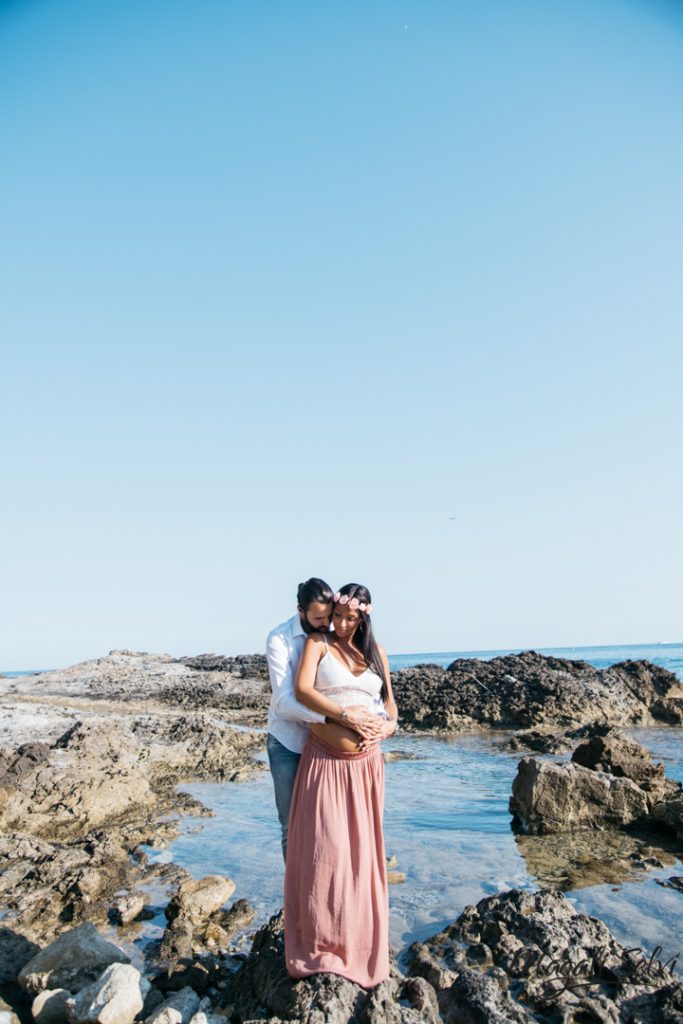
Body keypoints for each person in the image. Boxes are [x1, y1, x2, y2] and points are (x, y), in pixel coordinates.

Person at [284, 583, 398, 989]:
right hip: (326, 763)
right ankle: (320, 944)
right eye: (339, 616)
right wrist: (347, 716)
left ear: (364, 617)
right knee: (325, 853)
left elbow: (391, 707)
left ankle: (361, 944)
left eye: (352, 618)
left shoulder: (377, 654)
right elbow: (302, 691)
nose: (344, 624)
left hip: (367, 766)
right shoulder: (318, 643)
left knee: (363, 856)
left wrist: (385, 728)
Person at [266, 579, 387, 860]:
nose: (327, 624)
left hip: (322, 750)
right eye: (319, 618)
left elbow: (371, 696)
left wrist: (381, 723)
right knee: (292, 826)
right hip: (287, 743)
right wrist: (337, 718)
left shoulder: (334, 634)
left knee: (328, 831)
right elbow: (285, 702)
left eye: (328, 616)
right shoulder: (279, 638)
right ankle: (295, 899)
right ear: (300, 611)